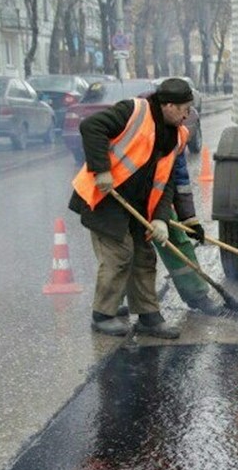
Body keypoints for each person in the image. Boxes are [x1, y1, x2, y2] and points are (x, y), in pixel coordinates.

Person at [69, 78, 196, 338]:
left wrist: (160, 218)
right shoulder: (134, 111)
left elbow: (166, 180)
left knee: (144, 257)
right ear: (168, 105)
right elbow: (91, 126)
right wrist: (101, 170)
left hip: (138, 204)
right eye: (184, 108)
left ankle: (149, 317)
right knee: (119, 255)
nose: (188, 114)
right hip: (105, 197)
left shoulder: (177, 135)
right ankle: (102, 315)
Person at [153, 149, 223, 315]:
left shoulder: (179, 133)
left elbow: (180, 179)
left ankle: (197, 296)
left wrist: (189, 219)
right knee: (125, 254)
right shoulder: (143, 126)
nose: (183, 120)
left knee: (179, 242)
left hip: (158, 199)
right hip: (126, 196)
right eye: (180, 119)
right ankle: (110, 308)